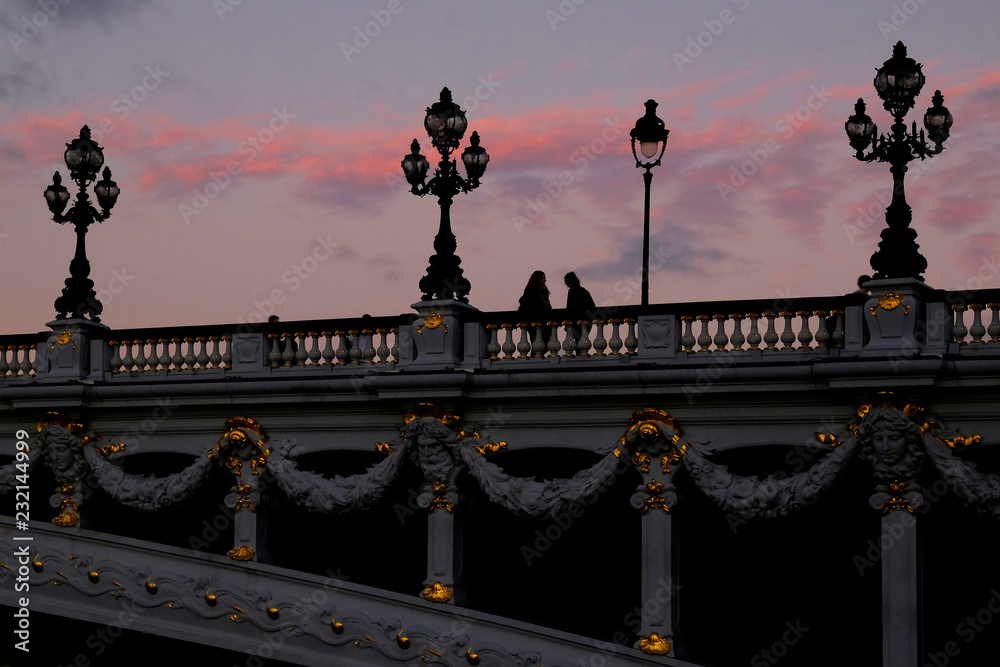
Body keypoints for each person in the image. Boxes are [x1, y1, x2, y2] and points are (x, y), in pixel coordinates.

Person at [517, 270, 552, 343]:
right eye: (543, 278)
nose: (545, 280)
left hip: (544, 322)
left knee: (544, 342)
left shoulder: (543, 292)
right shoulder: (531, 291)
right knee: (538, 343)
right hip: (535, 322)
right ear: (538, 279)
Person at [564, 271, 596, 344]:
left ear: (568, 282)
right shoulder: (584, 291)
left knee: (577, 343)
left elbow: (569, 308)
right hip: (586, 322)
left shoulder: (572, 292)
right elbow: (592, 306)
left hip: (576, 322)